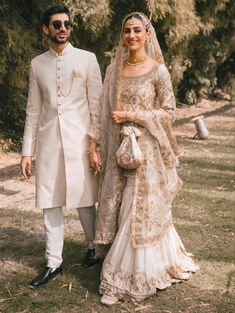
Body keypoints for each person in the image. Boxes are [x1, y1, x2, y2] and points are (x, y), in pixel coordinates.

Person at [92, 12, 199, 305]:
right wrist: (96, 144)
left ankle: (123, 277)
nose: (132, 36)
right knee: (120, 204)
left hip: (146, 152)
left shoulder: (158, 72)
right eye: (127, 31)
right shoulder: (114, 69)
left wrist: (134, 116)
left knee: (135, 210)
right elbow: (102, 110)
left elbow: (168, 113)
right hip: (118, 150)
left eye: (137, 30)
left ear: (148, 34)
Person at [20, 5, 102, 288]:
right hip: (48, 145)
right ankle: (53, 262)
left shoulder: (88, 59)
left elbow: (97, 108)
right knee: (50, 202)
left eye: (67, 24)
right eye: (57, 24)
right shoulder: (36, 64)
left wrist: (96, 144)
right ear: (46, 29)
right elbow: (33, 110)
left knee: (85, 201)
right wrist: (26, 151)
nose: (63, 28)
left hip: (81, 144)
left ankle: (94, 249)